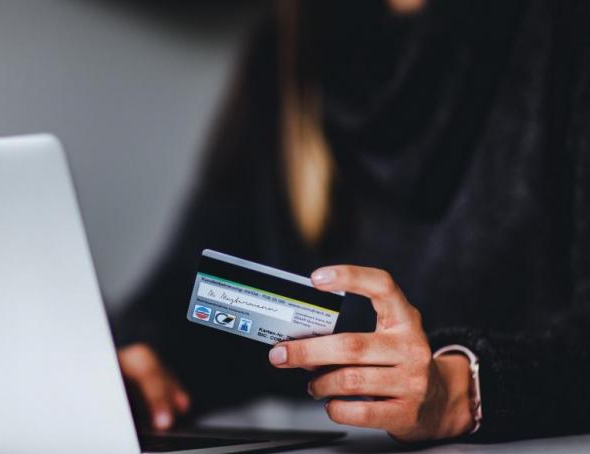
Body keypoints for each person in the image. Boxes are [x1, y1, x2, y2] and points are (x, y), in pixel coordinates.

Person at [111, 0, 590, 443]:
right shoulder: (291, 40)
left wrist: (462, 389)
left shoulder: (563, 27)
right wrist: (142, 357)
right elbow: (188, 289)